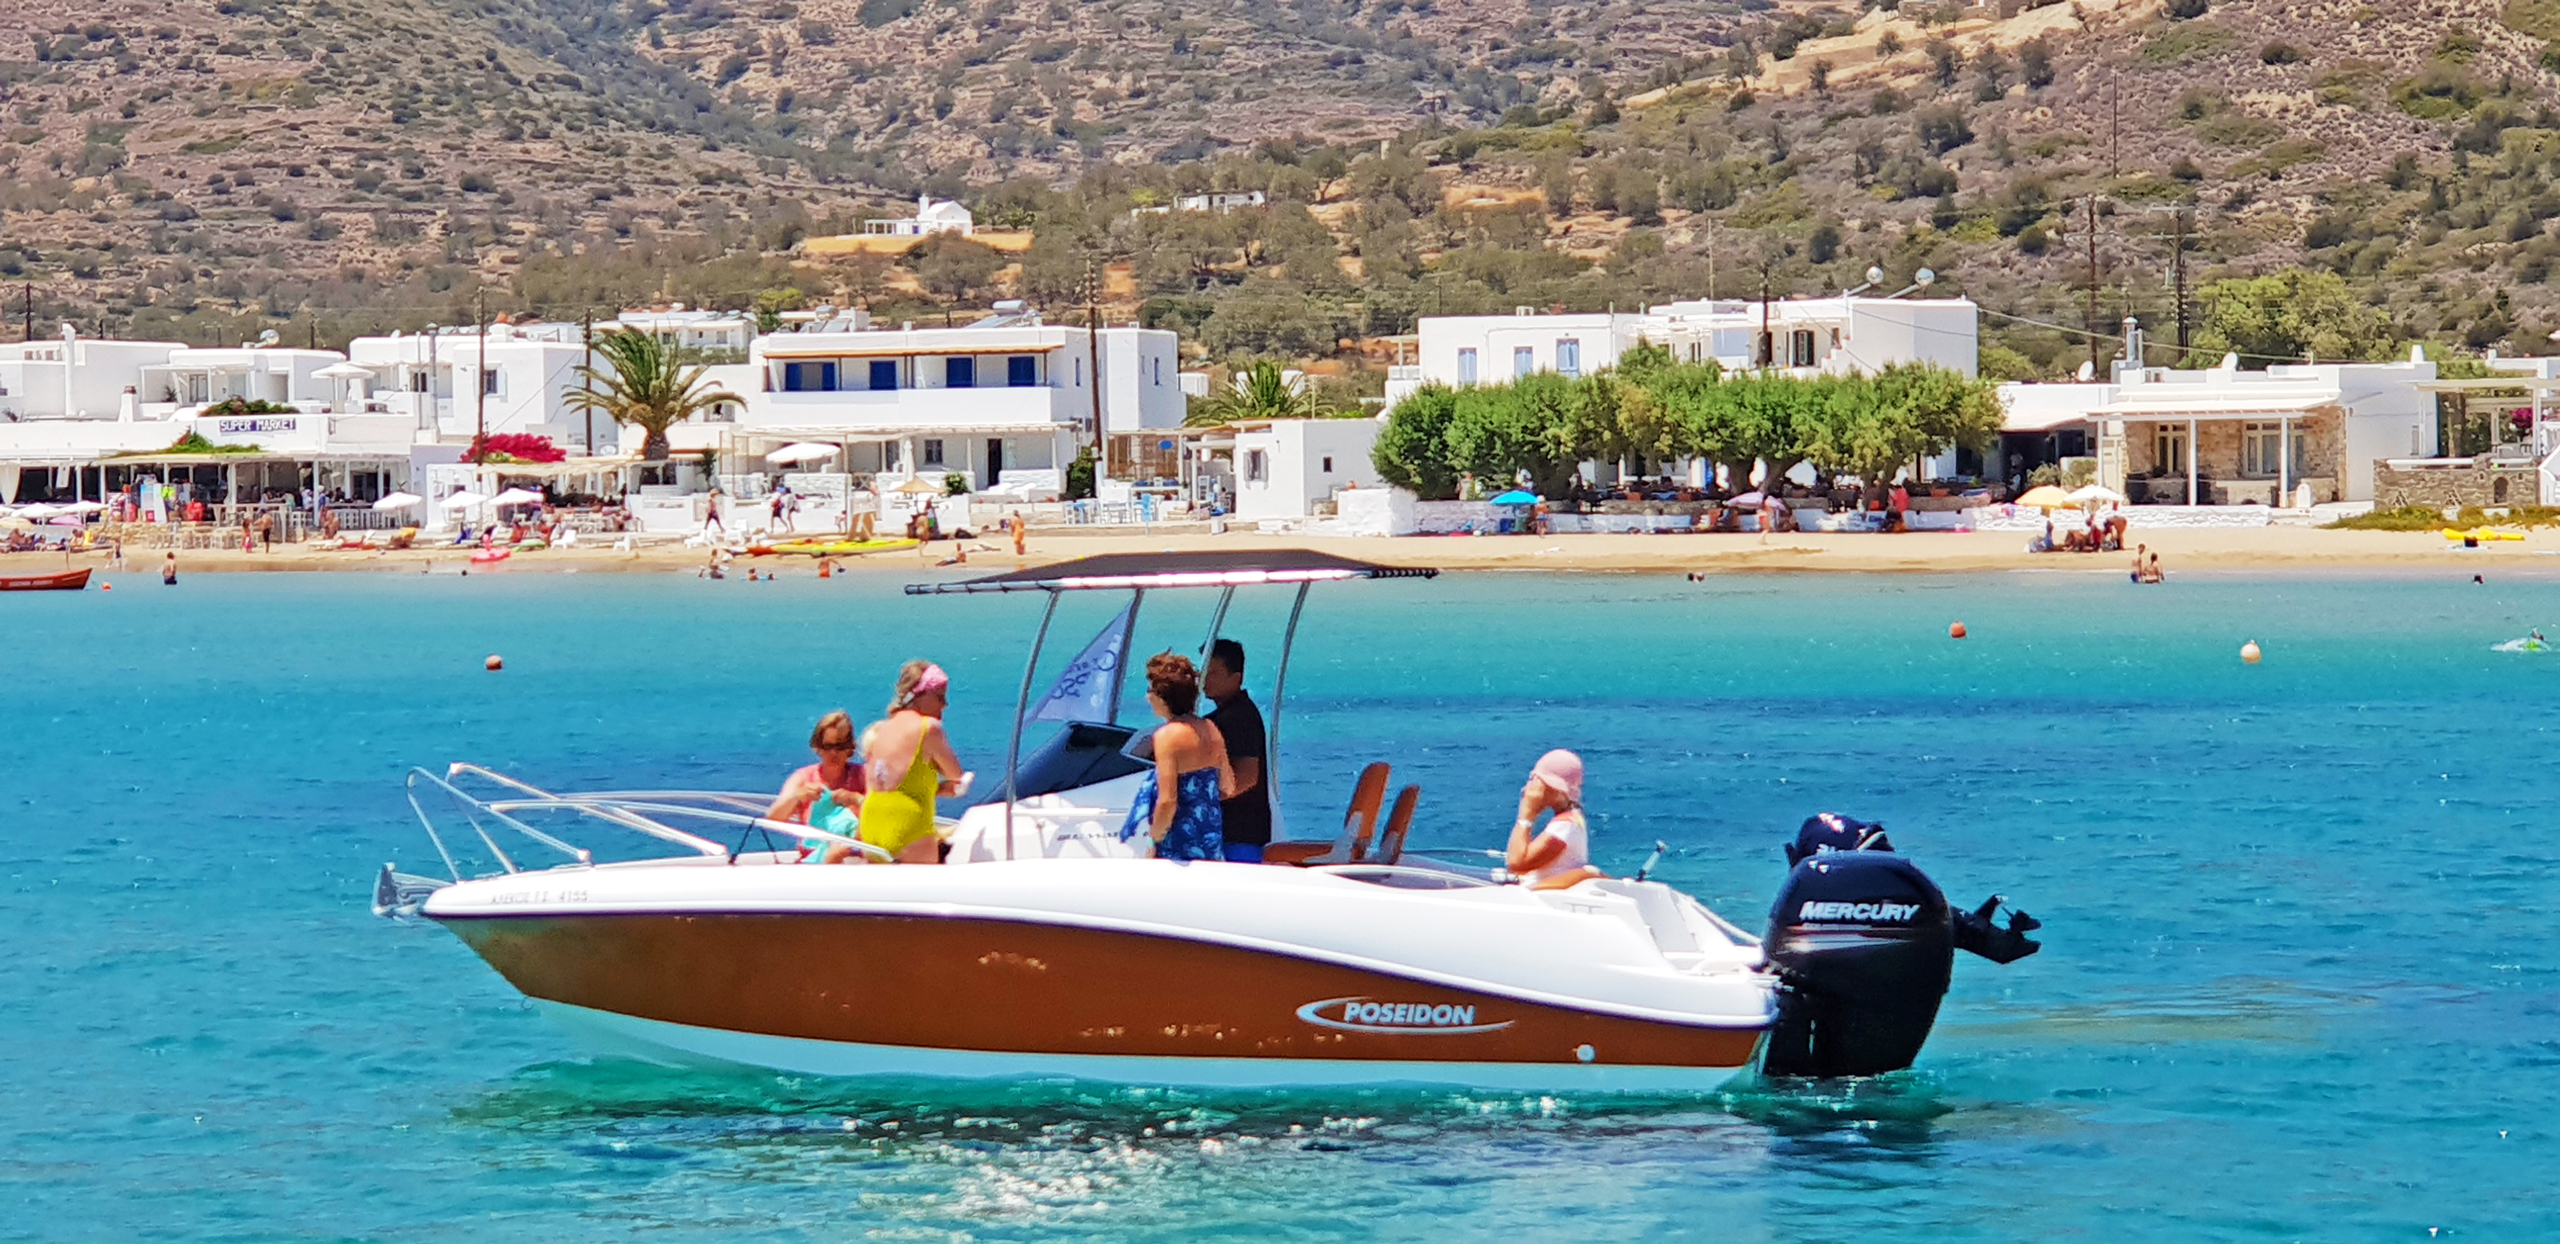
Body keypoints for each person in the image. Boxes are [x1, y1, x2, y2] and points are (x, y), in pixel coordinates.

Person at [1119, 653, 1237, 862]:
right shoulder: (1211, 729)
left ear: (1163, 696)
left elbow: (1167, 801)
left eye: (1151, 690)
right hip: (1210, 842)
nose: (1147, 697)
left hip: (1179, 845)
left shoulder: (1167, 736)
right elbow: (1228, 786)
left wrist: (1152, 841)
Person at [862, 661, 972, 863]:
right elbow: (955, 776)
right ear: (918, 696)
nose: (944, 704)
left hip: (870, 826)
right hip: (907, 826)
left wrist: (935, 789)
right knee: (927, 892)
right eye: (939, 697)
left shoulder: (882, 729)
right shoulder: (928, 728)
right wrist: (957, 783)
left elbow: (895, 783)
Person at [770, 710, 870, 863]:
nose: (834, 753)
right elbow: (774, 818)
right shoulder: (803, 778)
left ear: (850, 748)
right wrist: (797, 797)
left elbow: (884, 814)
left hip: (854, 863)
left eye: (840, 746)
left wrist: (856, 799)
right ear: (817, 747)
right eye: (828, 746)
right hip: (812, 865)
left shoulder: (863, 776)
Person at [1203, 639, 1269, 863]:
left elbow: (1248, 777)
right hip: (1232, 833)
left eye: (1212, 672)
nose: (1204, 679)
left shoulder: (1239, 718)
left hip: (1239, 835)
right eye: (1202, 671)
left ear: (1236, 677)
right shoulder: (1225, 716)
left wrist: (1197, 802)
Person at [1505, 749, 1603, 891]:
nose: (1529, 786)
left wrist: (1526, 816)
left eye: (1535, 780)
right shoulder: (1571, 819)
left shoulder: (1565, 826)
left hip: (1545, 898)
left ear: (1554, 788)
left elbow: (1516, 863)